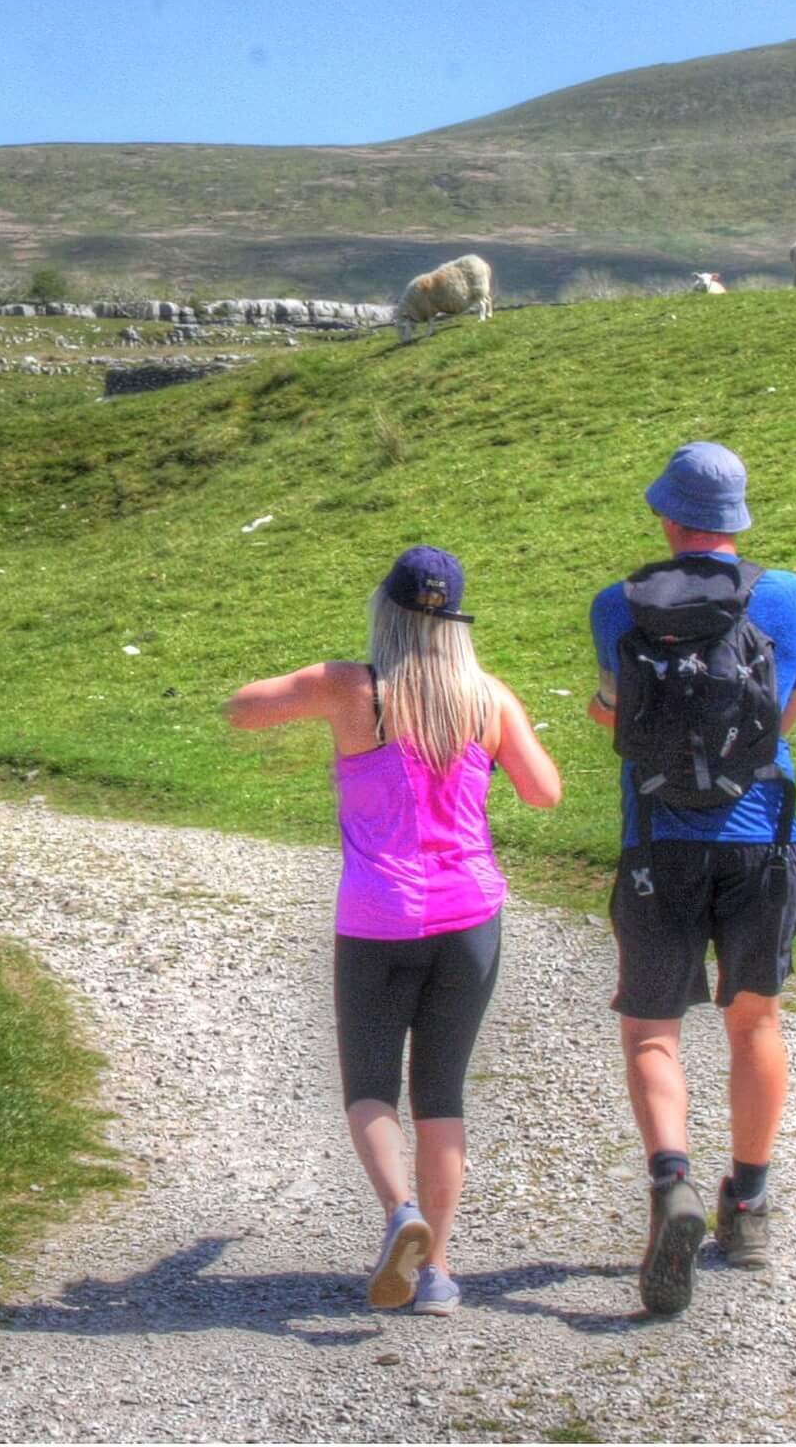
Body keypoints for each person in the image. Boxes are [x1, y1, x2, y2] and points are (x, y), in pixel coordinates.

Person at [227, 546, 561, 1315]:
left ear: (387, 612)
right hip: (470, 916)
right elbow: (545, 792)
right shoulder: (488, 698)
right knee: (442, 1093)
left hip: (379, 917)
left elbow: (243, 707)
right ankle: (436, 1272)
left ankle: (399, 1212)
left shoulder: (354, 690)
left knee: (370, 1085)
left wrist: (318, 687)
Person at [588, 441, 796, 1317]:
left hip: (658, 843)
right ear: (737, 519)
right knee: (753, 1018)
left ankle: (671, 1186)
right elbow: (789, 709)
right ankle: (749, 1205)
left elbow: (617, 712)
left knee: (654, 1032)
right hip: (762, 839)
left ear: (666, 516)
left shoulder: (618, 604)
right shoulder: (790, 596)